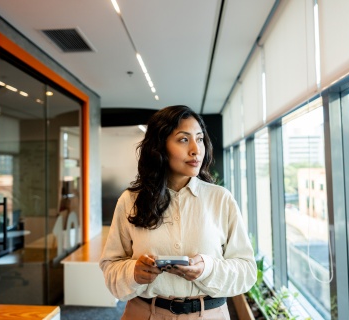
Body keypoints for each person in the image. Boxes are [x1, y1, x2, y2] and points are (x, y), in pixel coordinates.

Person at [100, 105, 256, 319]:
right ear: (160, 146)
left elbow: (247, 271)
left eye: (199, 139)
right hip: (145, 313)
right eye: (183, 139)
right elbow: (110, 266)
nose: (196, 149)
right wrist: (133, 272)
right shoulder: (130, 200)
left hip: (209, 314)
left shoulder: (221, 199)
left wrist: (207, 268)